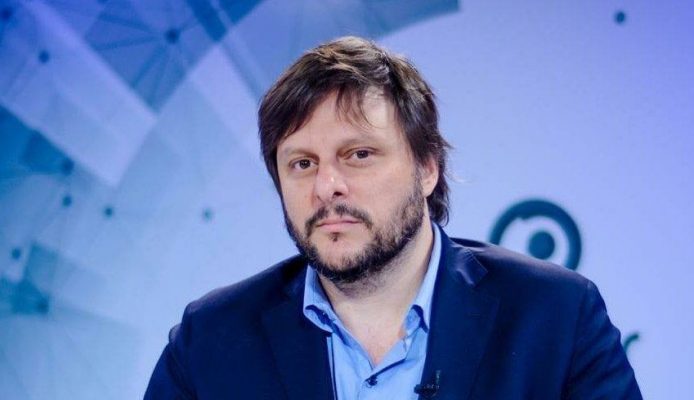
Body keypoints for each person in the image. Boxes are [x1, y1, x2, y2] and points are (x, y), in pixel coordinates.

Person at [144, 36, 641, 399]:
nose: (326, 185)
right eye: (302, 163)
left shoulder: (555, 317)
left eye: (359, 154)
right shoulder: (210, 340)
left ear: (427, 169)